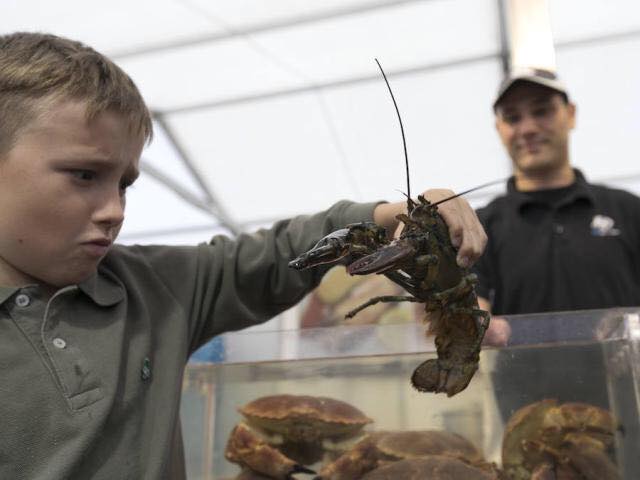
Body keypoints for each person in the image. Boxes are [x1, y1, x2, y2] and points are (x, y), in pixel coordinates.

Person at [0, 32, 487, 479]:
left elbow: (274, 254)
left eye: (125, 184)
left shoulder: (152, 286)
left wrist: (391, 215)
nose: (114, 210)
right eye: (84, 175)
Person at [474, 68, 640, 416]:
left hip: (629, 410)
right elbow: (471, 305)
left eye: (542, 110)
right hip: (528, 419)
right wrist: (475, 323)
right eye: (512, 117)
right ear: (499, 130)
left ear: (571, 114)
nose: (528, 128)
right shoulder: (482, 225)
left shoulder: (627, 210)